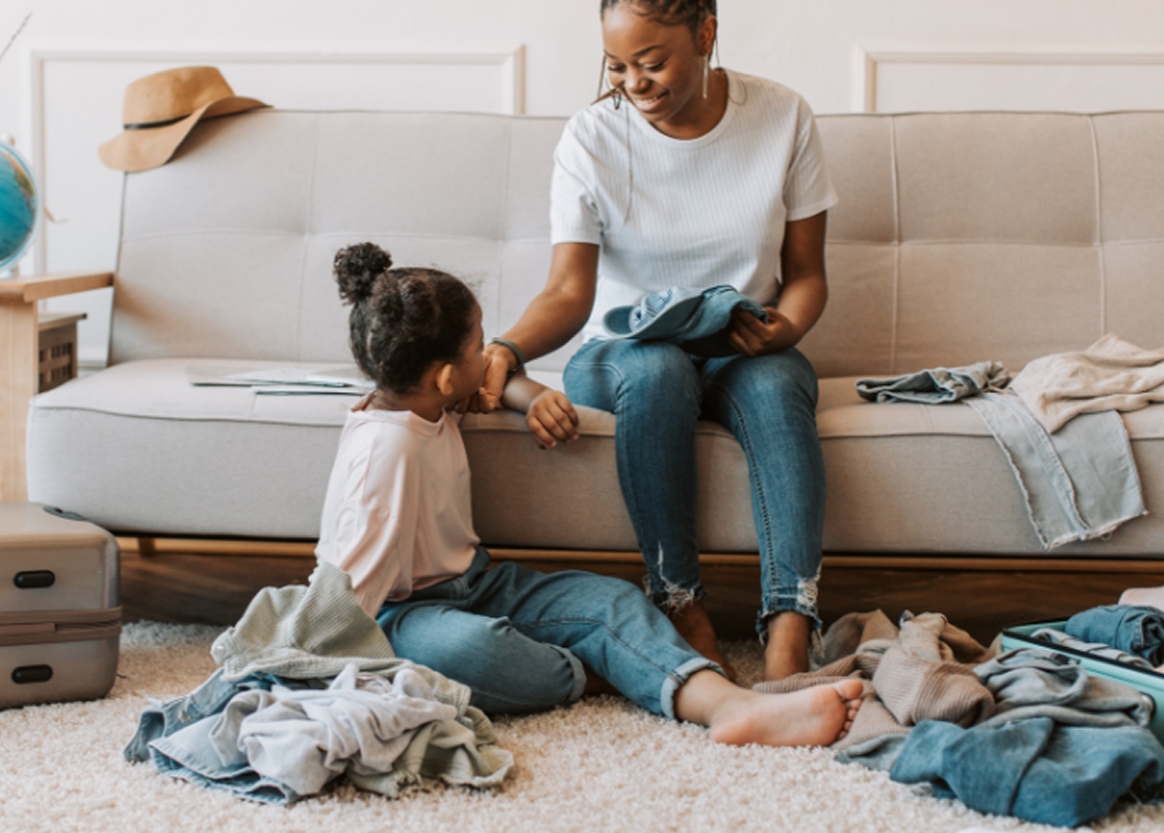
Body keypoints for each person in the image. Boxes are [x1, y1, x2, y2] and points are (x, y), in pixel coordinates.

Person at [469, 0, 837, 682]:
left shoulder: (783, 117)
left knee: (777, 386)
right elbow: (570, 293)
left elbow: (805, 274)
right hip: (622, 357)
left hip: (741, 347)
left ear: (705, 34)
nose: (633, 84)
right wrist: (505, 348)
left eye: (651, 62)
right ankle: (678, 602)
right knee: (660, 368)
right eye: (615, 66)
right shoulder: (589, 139)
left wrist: (784, 329)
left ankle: (789, 630)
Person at [316, 242, 861, 747]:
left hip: (478, 583)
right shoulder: (383, 452)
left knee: (614, 601)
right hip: (401, 614)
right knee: (473, 651)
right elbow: (347, 596)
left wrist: (530, 396)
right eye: (480, 343)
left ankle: (725, 705)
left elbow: (489, 381)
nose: (491, 353)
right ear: (443, 376)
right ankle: (613, 673)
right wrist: (315, 678)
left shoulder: (422, 398)